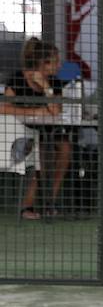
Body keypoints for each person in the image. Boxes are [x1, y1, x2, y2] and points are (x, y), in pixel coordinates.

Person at [1, 38, 67, 219]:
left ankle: (49, 200)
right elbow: (3, 107)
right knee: (42, 154)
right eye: (55, 61)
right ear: (43, 63)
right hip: (19, 133)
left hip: (47, 131)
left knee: (65, 149)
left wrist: (46, 87)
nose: (59, 65)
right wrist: (35, 110)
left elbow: (54, 110)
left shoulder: (54, 82)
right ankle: (27, 206)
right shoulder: (18, 78)